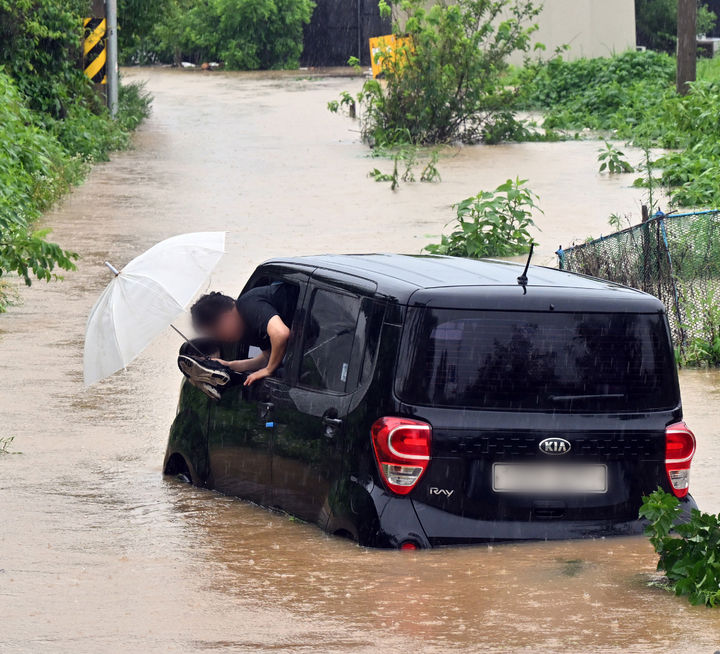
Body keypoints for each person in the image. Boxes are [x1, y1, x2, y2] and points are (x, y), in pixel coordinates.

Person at [178, 284, 294, 391]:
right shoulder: (246, 330)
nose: (220, 338)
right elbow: (267, 357)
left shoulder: (248, 305)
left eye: (217, 332)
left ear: (227, 316)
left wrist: (268, 370)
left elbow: (281, 334)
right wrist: (229, 365)